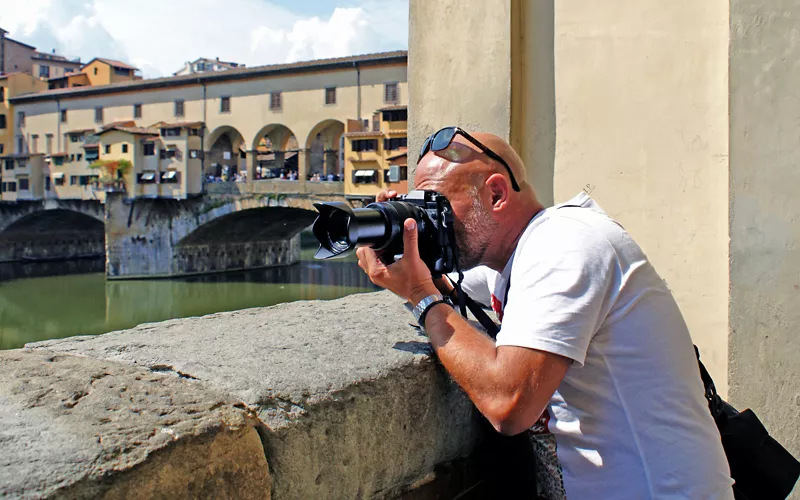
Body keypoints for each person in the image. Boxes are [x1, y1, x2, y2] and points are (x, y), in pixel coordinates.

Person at [355, 128, 733, 499]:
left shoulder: (565, 244)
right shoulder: (515, 257)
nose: (432, 221)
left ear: (497, 193)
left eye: (437, 206)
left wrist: (420, 295)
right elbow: (445, 288)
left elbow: (509, 404)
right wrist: (398, 242)